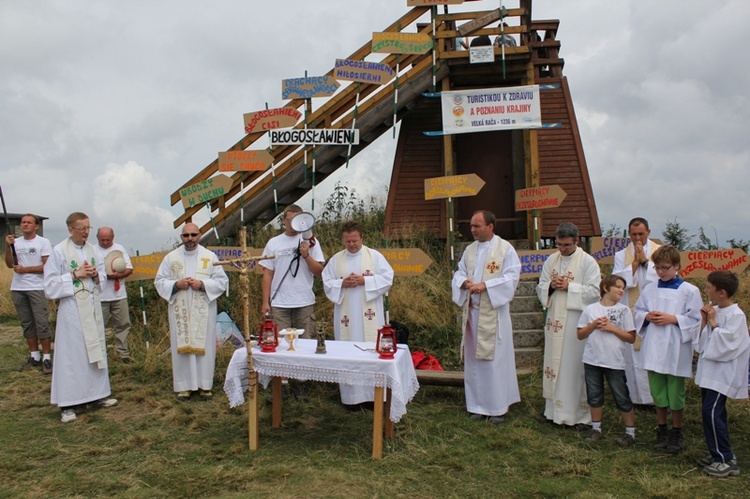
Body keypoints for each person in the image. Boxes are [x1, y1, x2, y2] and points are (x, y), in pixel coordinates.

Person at [43, 212, 117, 423]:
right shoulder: (58, 251)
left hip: (92, 308)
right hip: (72, 310)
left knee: (94, 349)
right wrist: (75, 275)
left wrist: (95, 274)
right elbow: (49, 286)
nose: (86, 232)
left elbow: (102, 276)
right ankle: (68, 403)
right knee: (72, 354)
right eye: (81, 228)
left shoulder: (93, 250)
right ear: (70, 230)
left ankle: (96, 395)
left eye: (88, 228)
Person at [451, 210, 521, 425]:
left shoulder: (505, 249)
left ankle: (497, 407)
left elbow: (512, 276)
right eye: (471, 226)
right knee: (474, 362)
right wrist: (463, 283)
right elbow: (459, 272)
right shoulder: (470, 250)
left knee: (493, 362)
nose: (472, 230)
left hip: (493, 317)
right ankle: (478, 405)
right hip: (473, 315)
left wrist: (486, 285)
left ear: (490, 226)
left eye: (477, 226)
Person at [633, 245, 702, 455]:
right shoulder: (650, 288)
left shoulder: (689, 290)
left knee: (675, 392)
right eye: (657, 268)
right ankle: (661, 428)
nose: (661, 272)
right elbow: (638, 310)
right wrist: (646, 317)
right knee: (658, 392)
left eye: (665, 268)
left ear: (677, 266)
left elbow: (697, 320)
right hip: (654, 345)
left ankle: (677, 430)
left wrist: (673, 319)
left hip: (675, 347)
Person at [322, 220, 394, 406]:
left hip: (370, 314)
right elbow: (327, 282)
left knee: (370, 350)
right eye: (347, 241)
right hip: (346, 316)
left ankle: (372, 397)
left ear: (362, 237)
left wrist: (366, 281)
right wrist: (341, 284)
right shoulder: (336, 260)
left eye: (355, 240)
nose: (352, 245)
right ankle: (351, 398)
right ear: (343, 240)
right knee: (347, 351)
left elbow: (388, 277)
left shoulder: (374, 256)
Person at [154, 223, 228, 402]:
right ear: (181, 237)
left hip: (204, 309)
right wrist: (176, 285)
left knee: (205, 346)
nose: (190, 239)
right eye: (186, 235)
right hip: (181, 310)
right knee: (182, 346)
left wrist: (202, 285)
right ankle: (184, 386)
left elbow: (222, 281)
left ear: (200, 235)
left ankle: (205, 385)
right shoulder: (171, 258)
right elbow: (159, 281)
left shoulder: (209, 257)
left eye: (193, 235)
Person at [536, 222, 600, 427]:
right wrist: (551, 287)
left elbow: (594, 292)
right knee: (553, 365)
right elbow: (541, 286)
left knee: (573, 367)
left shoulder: (588, 262)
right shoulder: (551, 260)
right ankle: (553, 411)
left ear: (576, 241)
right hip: (555, 320)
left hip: (575, 322)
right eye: (559, 244)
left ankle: (578, 415)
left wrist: (569, 287)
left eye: (566, 245)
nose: (562, 249)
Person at [260, 205, 325, 401]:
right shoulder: (274, 242)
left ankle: (301, 384)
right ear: (283, 221)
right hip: (280, 302)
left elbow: (319, 271)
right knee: (279, 345)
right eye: (290, 219)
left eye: (299, 218)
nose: (295, 223)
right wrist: (265, 302)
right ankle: (283, 385)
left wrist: (306, 255)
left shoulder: (311, 241)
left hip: (303, 301)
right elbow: (267, 273)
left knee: (304, 343)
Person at [694, 270, 750, 477]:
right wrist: (704, 320)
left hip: (722, 374)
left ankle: (725, 458)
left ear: (722, 292)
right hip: (709, 372)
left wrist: (713, 322)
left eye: (709, 287)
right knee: (710, 413)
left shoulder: (736, 315)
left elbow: (729, 344)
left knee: (712, 413)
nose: (706, 290)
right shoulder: (714, 310)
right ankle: (717, 453)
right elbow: (702, 342)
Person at [577, 275, 637, 447]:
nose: (621, 290)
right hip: (592, 360)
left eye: (623, 288)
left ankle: (630, 432)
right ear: (605, 288)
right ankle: (596, 428)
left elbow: (631, 337)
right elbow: (580, 334)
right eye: (618, 287)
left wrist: (612, 328)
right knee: (594, 396)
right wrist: (593, 325)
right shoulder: (591, 309)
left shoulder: (624, 310)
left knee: (621, 396)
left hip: (614, 361)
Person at [612, 217, 660, 406]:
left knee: (652, 351)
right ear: (629, 234)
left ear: (648, 231)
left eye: (641, 233)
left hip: (653, 307)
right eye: (634, 234)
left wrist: (646, 262)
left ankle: (654, 398)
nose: (638, 237)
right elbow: (616, 281)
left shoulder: (660, 252)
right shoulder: (621, 255)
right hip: (630, 307)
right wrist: (633, 265)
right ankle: (636, 397)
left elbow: (665, 276)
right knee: (632, 354)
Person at [5, 214, 53, 374]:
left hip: (37, 287)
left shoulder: (43, 243)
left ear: (36, 226)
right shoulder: (16, 243)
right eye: (23, 222)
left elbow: (47, 266)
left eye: (28, 222)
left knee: (41, 322)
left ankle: (47, 357)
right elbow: (9, 264)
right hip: (18, 288)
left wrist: (25, 270)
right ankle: (35, 356)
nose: (25, 225)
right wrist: (8, 246)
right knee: (27, 323)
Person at [94, 226, 134, 363]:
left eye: (108, 240)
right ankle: (100, 354)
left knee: (122, 324)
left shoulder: (119, 249)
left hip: (119, 295)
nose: (105, 242)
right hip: (100, 295)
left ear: (113, 238)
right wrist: (105, 276)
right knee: (99, 326)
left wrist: (119, 275)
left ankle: (123, 353)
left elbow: (129, 269)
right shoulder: (92, 250)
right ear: (97, 238)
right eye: (102, 240)